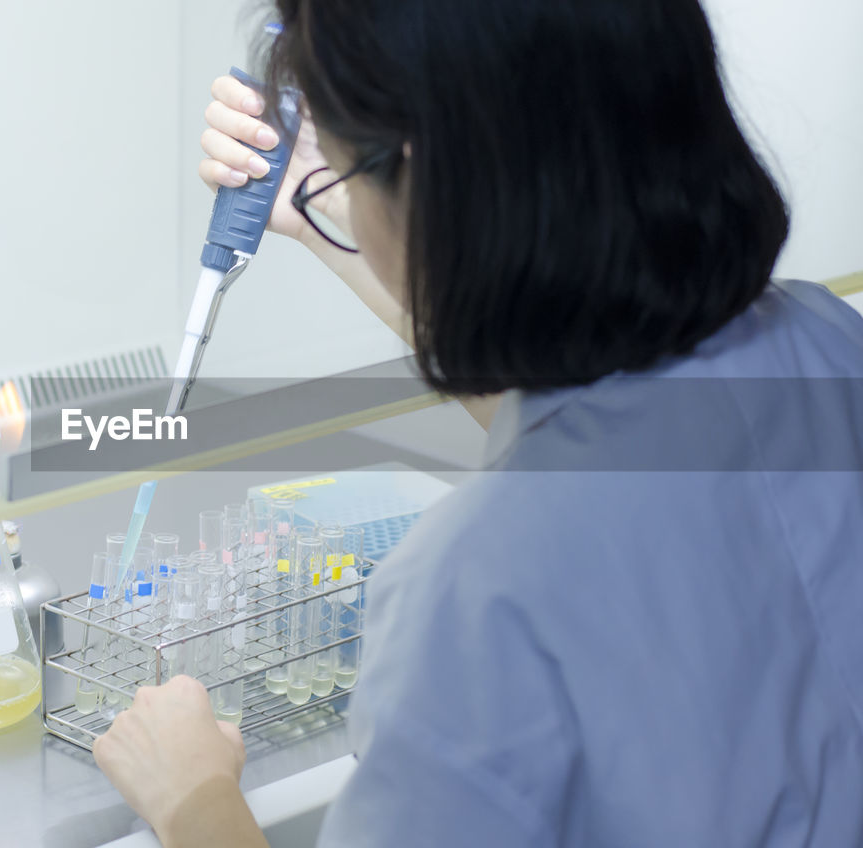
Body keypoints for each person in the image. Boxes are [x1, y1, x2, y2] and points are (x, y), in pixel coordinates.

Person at [93, 1, 863, 845]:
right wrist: (327, 202)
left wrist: (194, 797)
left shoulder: (475, 596)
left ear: (429, 179)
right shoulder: (826, 341)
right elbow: (580, 397)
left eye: (345, 177)